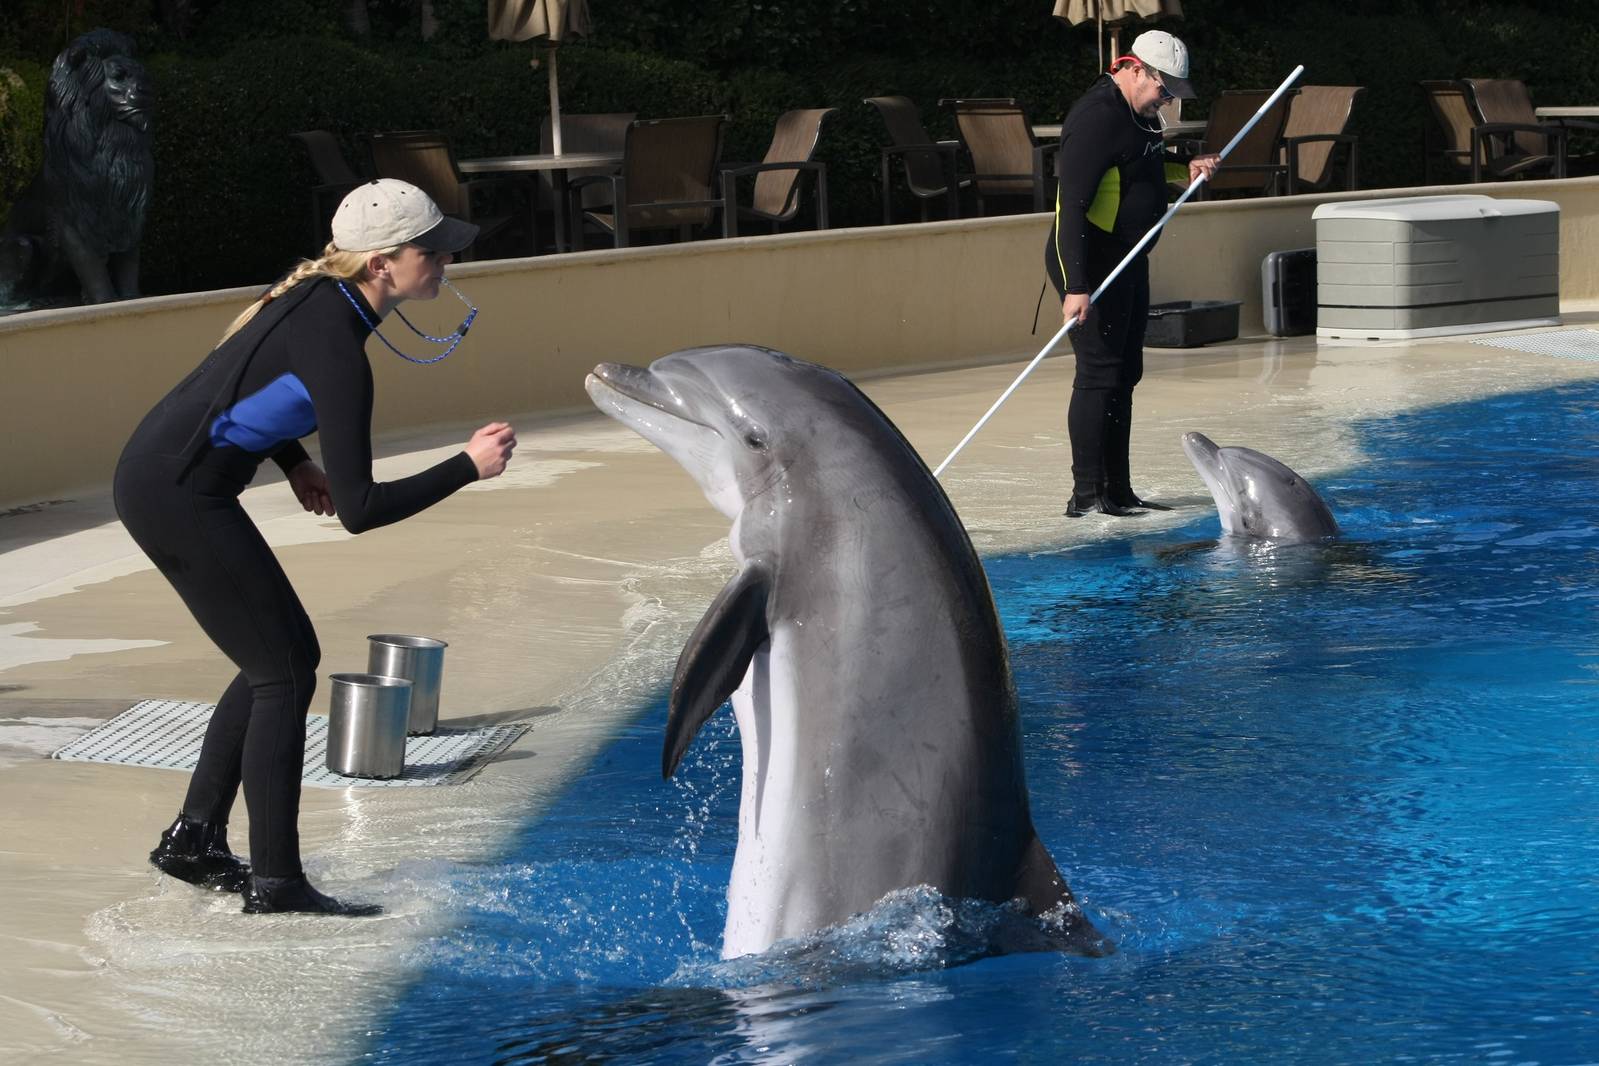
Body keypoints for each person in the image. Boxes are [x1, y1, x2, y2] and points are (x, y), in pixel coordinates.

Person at [114, 179, 517, 916]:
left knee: (279, 658)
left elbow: (248, 389)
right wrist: (468, 467)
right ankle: (277, 883)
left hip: (167, 479)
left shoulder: (321, 304)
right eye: (432, 253)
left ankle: (195, 839)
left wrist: (293, 460)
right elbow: (360, 510)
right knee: (284, 674)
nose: (445, 264)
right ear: (382, 265)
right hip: (175, 493)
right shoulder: (339, 344)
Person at [1044, 30, 1220, 517]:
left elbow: (1141, 163)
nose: (1166, 101)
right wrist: (1076, 286)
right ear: (1135, 67)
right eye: (1163, 89)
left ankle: (1119, 491)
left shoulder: (1138, 114)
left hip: (1130, 257)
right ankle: (1086, 496)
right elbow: (1071, 207)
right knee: (1098, 375)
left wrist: (1187, 165)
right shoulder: (1097, 117)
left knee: (1126, 373)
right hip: (1093, 262)